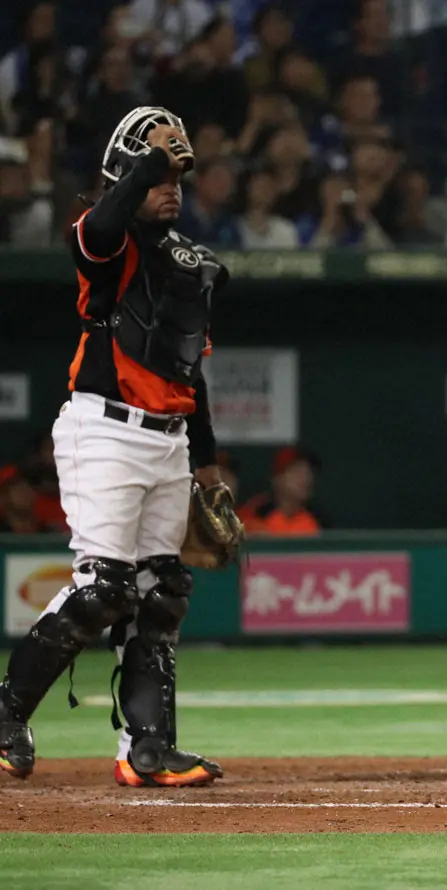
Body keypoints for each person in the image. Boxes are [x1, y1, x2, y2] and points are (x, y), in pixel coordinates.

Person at [0, 106, 229, 788]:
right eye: (158, 176)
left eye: (177, 177)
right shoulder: (108, 243)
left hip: (169, 439)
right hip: (103, 428)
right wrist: (144, 165)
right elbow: (99, 227)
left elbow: (192, 374)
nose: (171, 186)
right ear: (126, 176)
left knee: (164, 589)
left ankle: (148, 749)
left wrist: (209, 468)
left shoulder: (188, 264)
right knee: (104, 587)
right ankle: (7, 711)